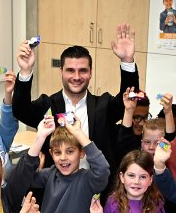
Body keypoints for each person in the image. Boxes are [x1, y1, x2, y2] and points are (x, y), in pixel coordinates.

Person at [12, 25, 139, 176]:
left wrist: (127, 61)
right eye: (70, 70)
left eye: (83, 70)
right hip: (56, 186)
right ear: (61, 72)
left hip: (97, 186)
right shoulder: (47, 105)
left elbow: (128, 97)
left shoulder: (104, 106)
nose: (77, 77)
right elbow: (20, 110)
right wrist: (25, 71)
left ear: (90, 73)